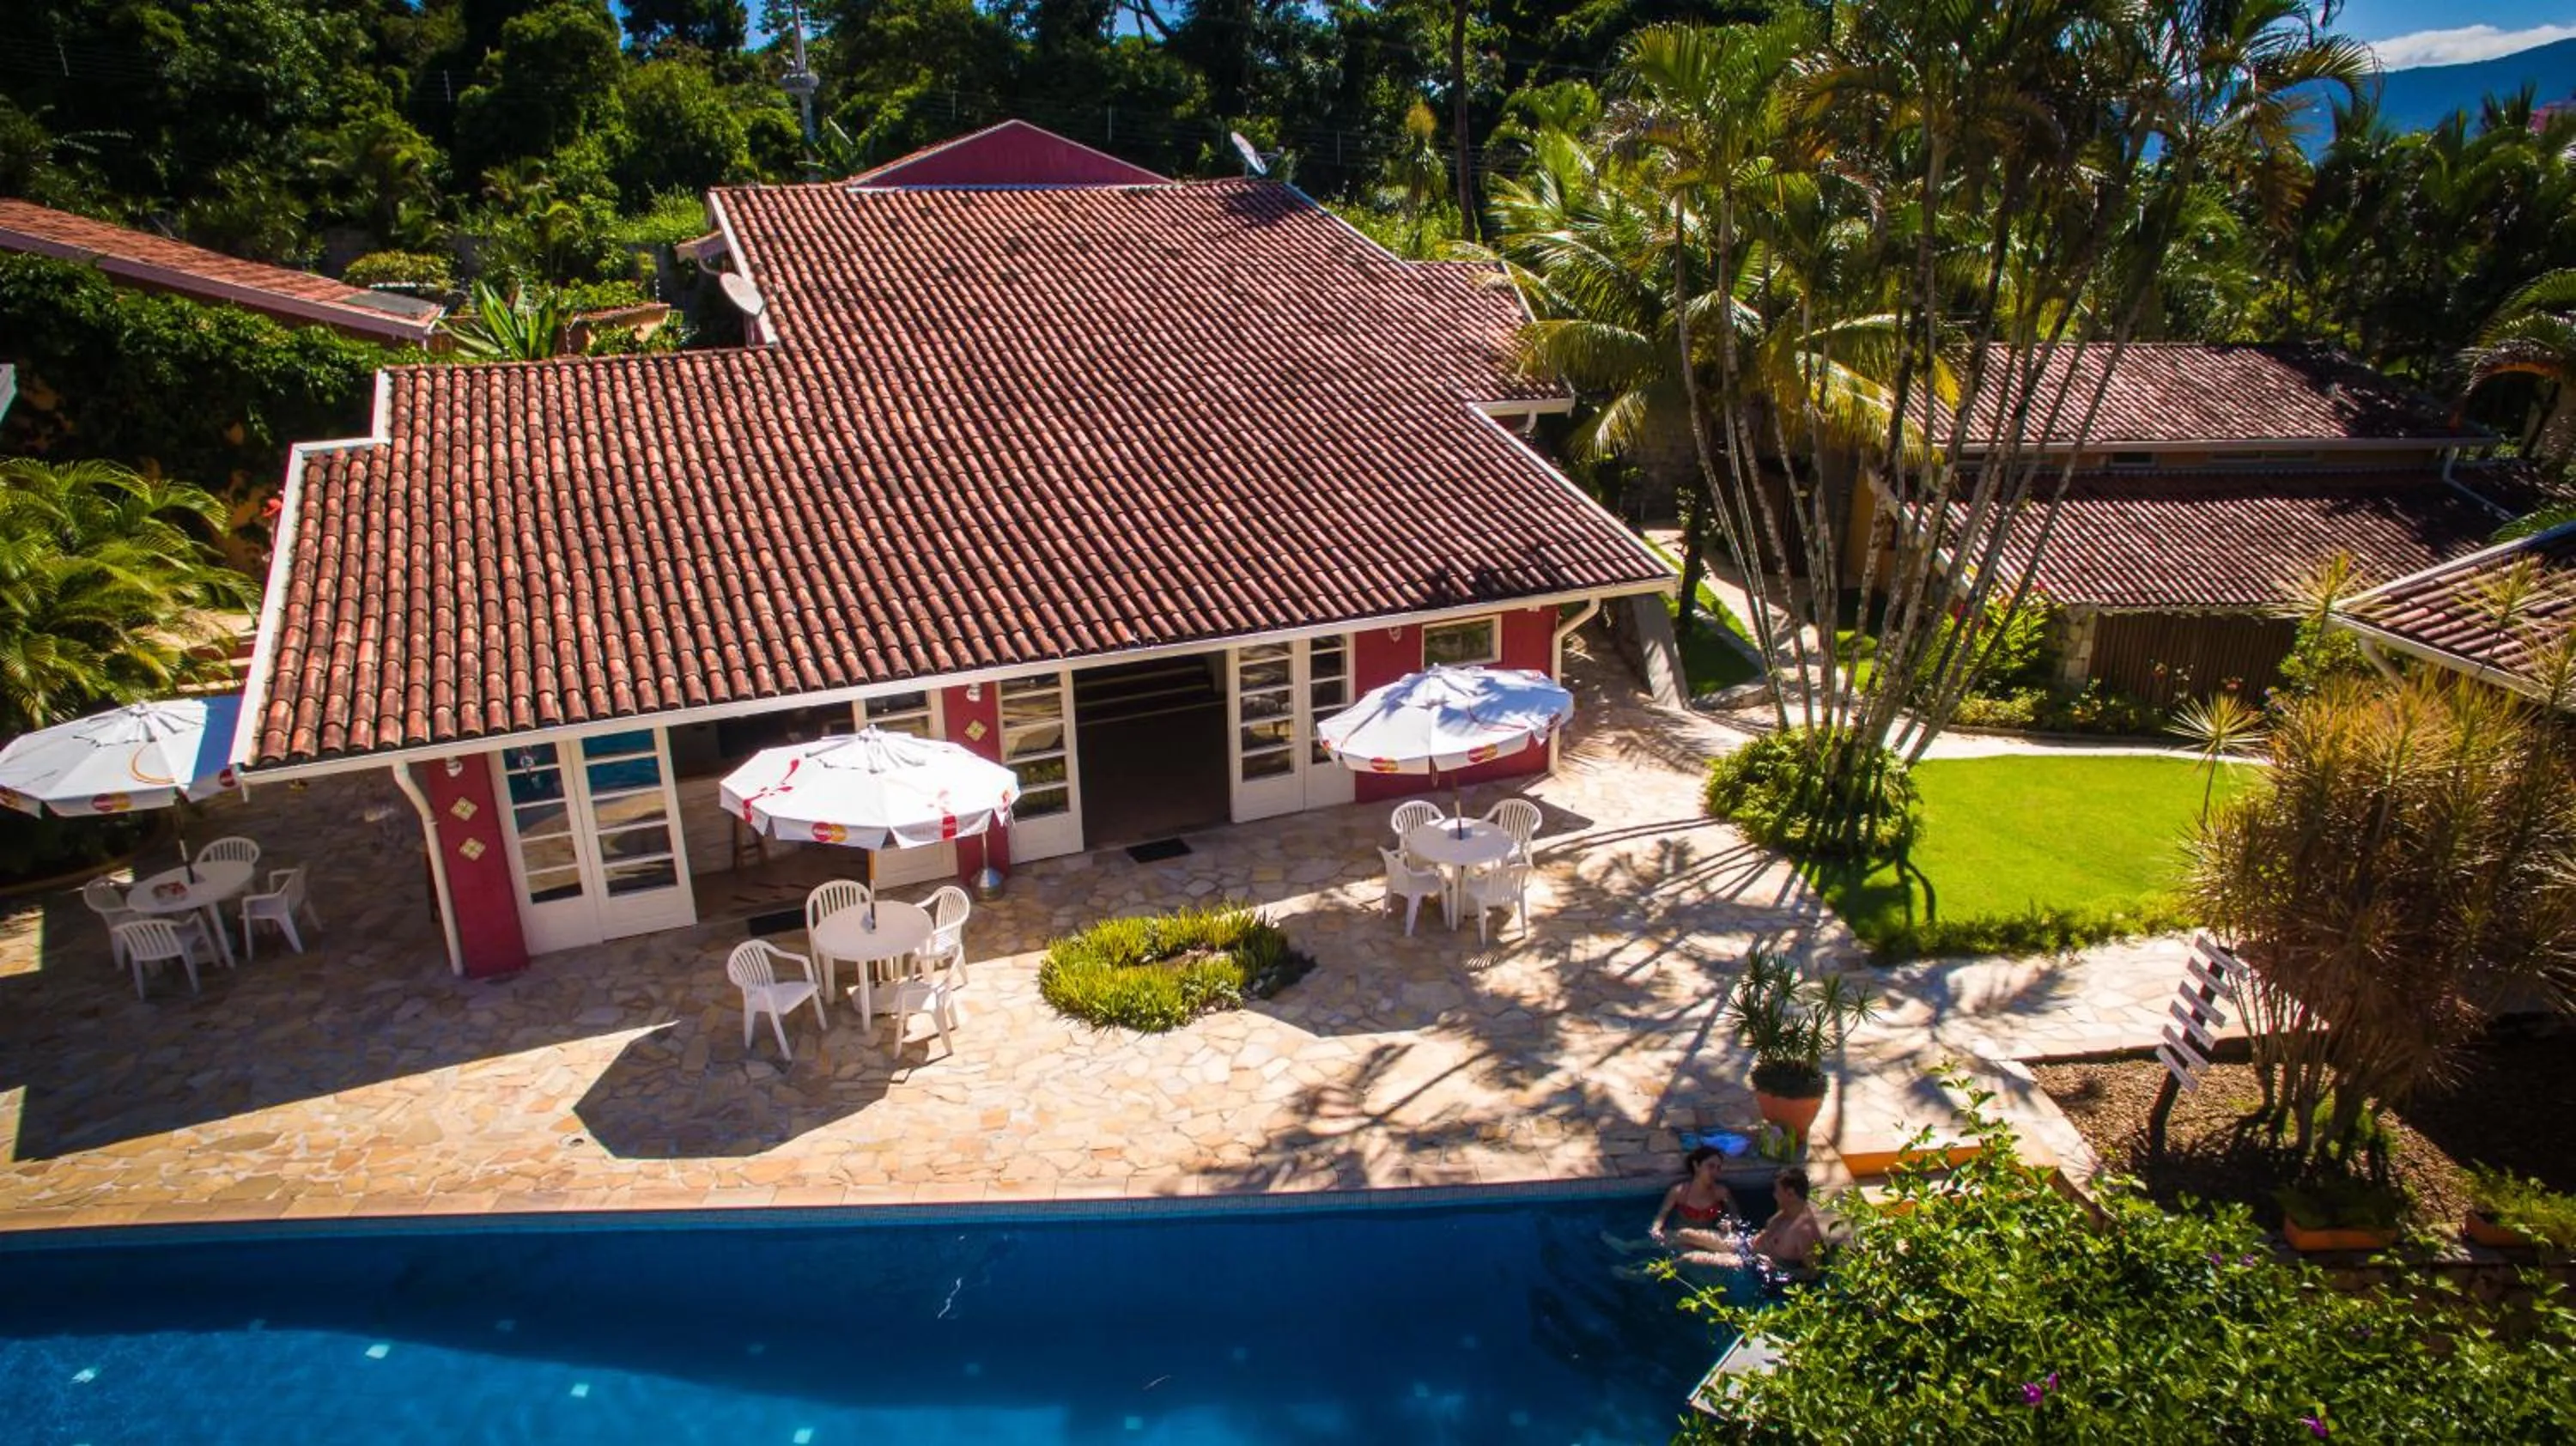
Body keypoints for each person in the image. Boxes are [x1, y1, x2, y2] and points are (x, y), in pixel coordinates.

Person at [1686, 1168, 1825, 1275]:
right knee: (1685, 1234)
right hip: (1746, 1245)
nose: (1774, 1194)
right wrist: (1731, 1225)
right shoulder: (1787, 1207)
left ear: (1790, 1194)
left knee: (1692, 1258)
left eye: (1777, 1190)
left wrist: (1778, 1268)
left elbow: (1814, 1272)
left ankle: (1665, 1271)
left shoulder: (1804, 1231)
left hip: (1750, 1265)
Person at [1646, 1146, 1742, 1255]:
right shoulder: (1678, 1192)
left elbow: (1735, 1215)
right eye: (1711, 1166)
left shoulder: (1721, 1192)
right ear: (1696, 1166)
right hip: (1682, 1239)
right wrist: (1656, 1230)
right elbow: (1661, 1216)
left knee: (1735, 1244)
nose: (1715, 1172)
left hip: (1707, 1239)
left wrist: (1729, 1223)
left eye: (1718, 1168)